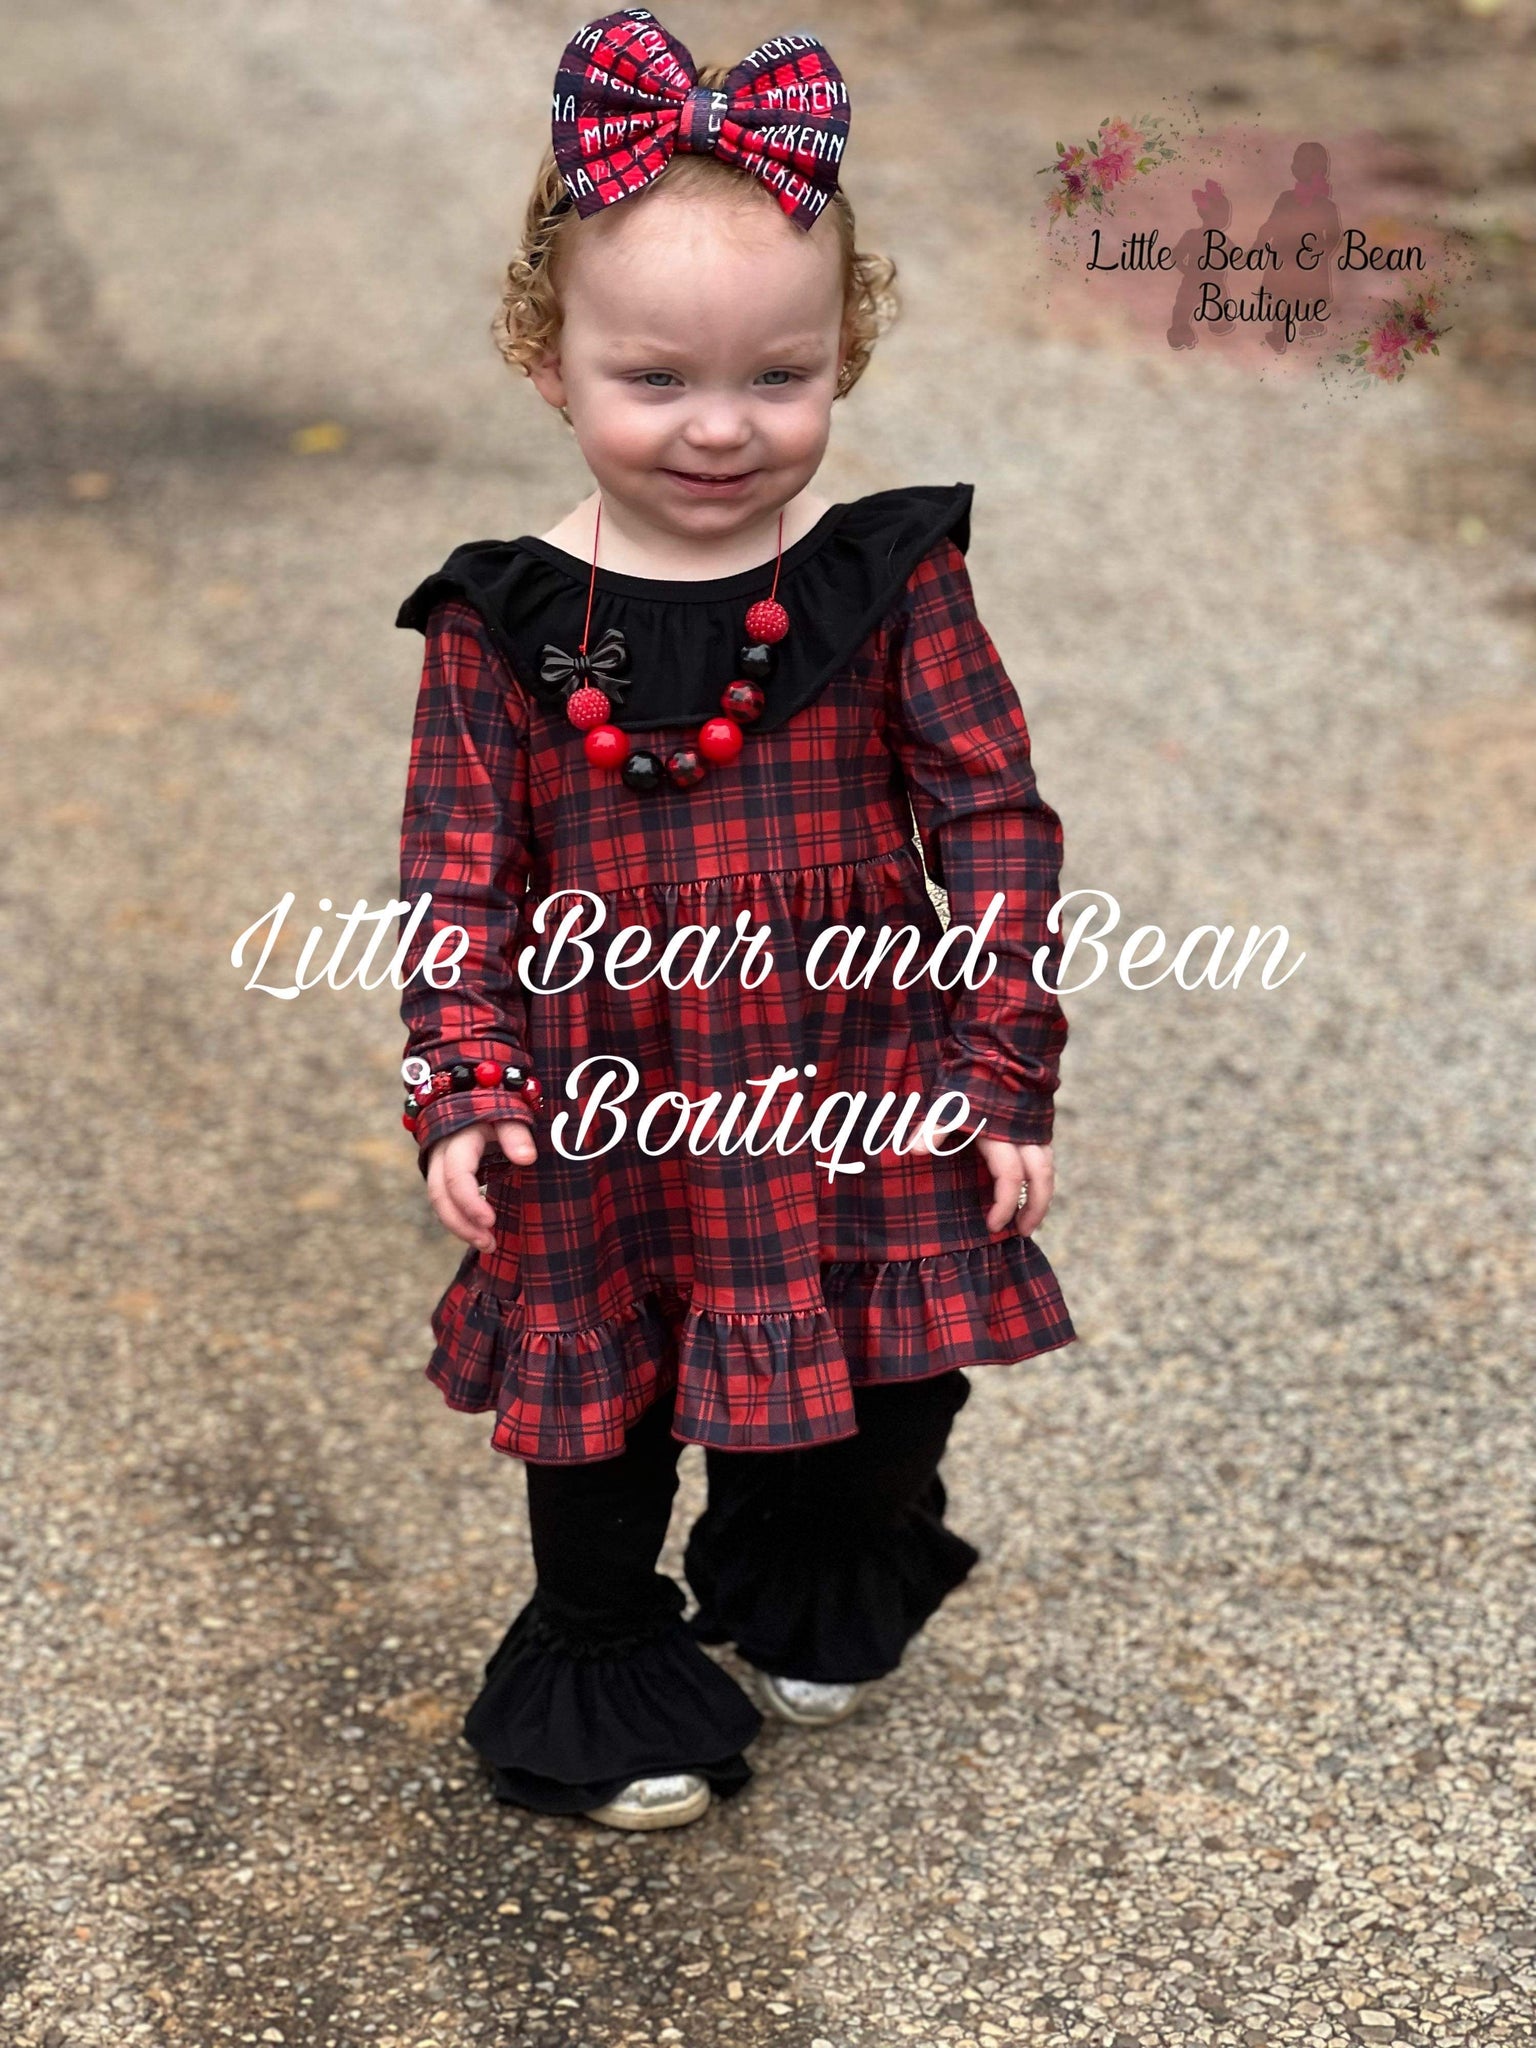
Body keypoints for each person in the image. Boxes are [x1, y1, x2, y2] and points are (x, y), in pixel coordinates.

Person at [393, 5, 1075, 1831]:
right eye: (655, 378)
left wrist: (1002, 1063)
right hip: (607, 1085)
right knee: (607, 1389)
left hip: (861, 1063)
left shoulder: (888, 579)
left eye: (780, 376)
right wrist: (463, 1080)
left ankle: (810, 1563)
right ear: (545, 358)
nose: (720, 427)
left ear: (847, 350)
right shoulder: (499, 623)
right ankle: (609, 1650)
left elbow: (993, 818)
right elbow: (457, 874)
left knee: (895, 1365)